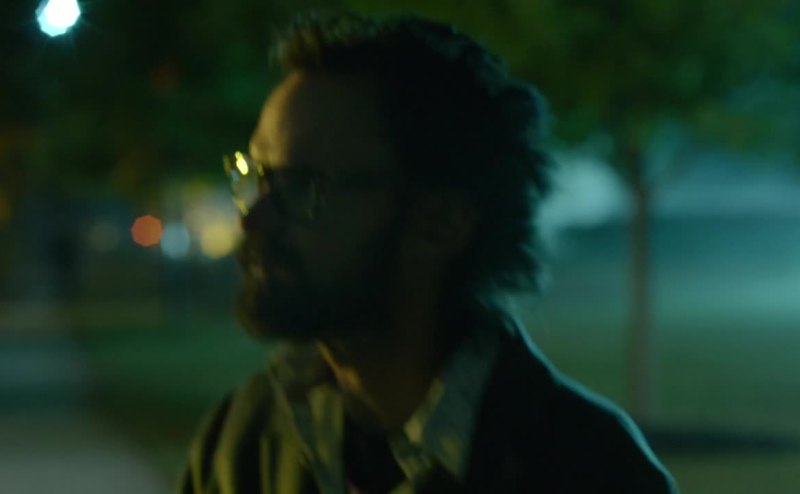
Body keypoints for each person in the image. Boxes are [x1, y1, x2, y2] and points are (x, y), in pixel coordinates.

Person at [180, 13, 677, 494]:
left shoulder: (591, 473)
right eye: (255, 176)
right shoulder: (241, 442)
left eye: (299, 185)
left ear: (440, 222)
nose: (253, 219)